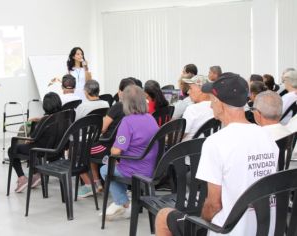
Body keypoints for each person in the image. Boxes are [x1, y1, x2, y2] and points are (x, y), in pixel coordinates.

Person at [155, 73, 279, 236]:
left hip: (226, 230)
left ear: (220, 104)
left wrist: (201, 220)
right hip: (264, 229)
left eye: (212, 101)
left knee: (163, 216)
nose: (211, 106)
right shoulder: (267, 137)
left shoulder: (216, 142)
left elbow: (214, 205)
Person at [100, 85, 159, 220]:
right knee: (112, 166)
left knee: (105, 169)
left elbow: (116, 151)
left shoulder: (127, 121)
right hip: (151, 167)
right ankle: (122, 201)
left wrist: (112, 149)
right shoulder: (151, 118)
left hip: (134, 170)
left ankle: (123, 203)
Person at [77, 78, 135, 198]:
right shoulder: (134, 108)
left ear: (120, 92)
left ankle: (90, 184)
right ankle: (97, 183)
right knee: (90, 148)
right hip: (124, 146)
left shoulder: (118, 106)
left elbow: (102, 129)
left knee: (78, 151)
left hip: (107, 146)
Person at [8, 92, 63, 193]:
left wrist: (27, 139)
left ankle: (22, 178)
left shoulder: (44, 121)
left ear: (45, 106)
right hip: (58, 150)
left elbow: (32, 139)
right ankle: (35, 175)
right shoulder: (64, 117)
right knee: (31, 146)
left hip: (40, 151)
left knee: (12, 149)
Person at [181, 75, 213, 141]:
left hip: (188, 149)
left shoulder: (192, 109)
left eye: (190, 88)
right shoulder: (218, 108)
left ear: (201, 89)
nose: (188, 92)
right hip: (208, 149)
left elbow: (179, 135)